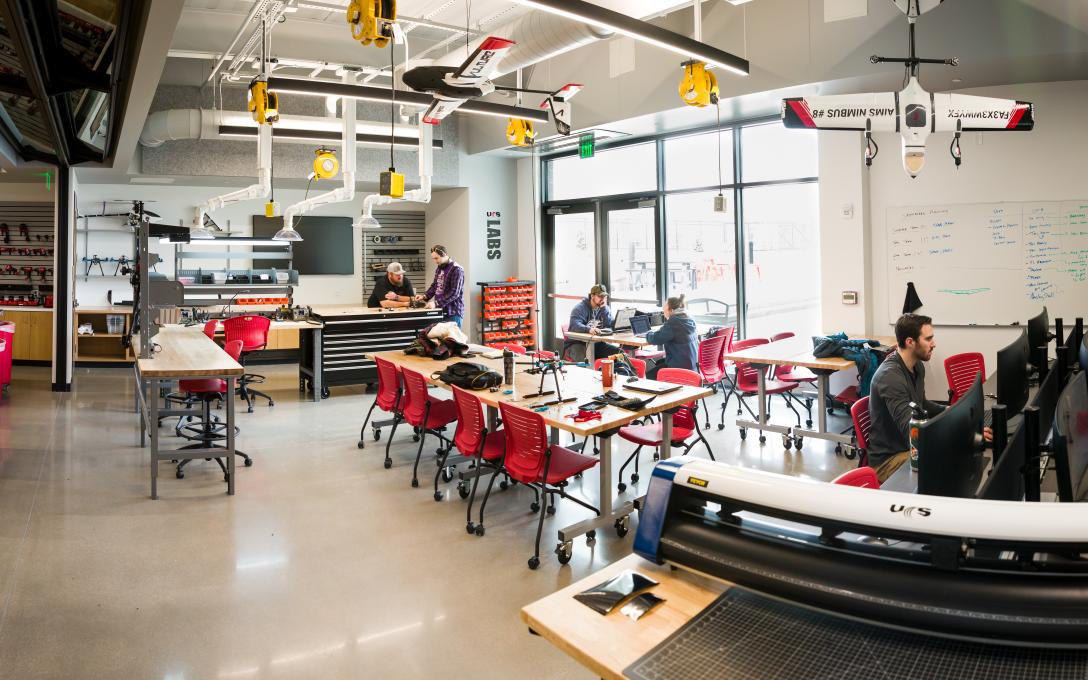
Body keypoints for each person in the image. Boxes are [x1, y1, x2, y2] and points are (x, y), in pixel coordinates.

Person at [868, 313, 990, 476]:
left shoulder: (917, 366)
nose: (934, 344)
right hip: (890, 459)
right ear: (910, 342)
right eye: (928, 339)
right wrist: (963, 431)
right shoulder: (890, 377)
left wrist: (956, 414)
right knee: (951, 461)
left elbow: (922, 404)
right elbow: (912, 434)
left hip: (908, 448)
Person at [563, 284, 623, 362]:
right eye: (600, 296)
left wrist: (604, 310)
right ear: (592, 296)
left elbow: (610, 326)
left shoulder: (604, 308)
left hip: (596, 344)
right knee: (586, 361)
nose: (603, 299)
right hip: (577, 344)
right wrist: (589, 329)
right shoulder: (579, 308)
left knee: (620, 354)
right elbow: (575, 325)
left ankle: (628, 373)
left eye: (604, 297)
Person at [642, 295, 697, 379]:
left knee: (646, 377)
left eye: (664, 310)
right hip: (692, 366)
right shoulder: (689, 318)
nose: (664, 313)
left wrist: (648, 333)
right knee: (660, 363)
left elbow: (656, 339)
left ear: (671, 310)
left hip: (678, 368)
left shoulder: (674, 322)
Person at [415, 245, 465, 326]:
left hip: (453, 313)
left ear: (444, 255)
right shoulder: (439, 268)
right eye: (433, 259)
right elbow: (435, 285)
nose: (435, 261)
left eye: (436, 258)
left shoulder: (457, 269)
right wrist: (424, 296)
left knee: (451, 338)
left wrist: (436, 303)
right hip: (441, 311)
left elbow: (454, 293)